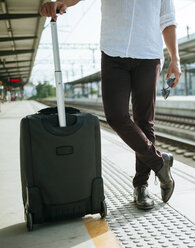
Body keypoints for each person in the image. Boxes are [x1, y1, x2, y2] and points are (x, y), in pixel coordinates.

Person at [39, 0, 182, 210]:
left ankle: (141, 186)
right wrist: (60, 2)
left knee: (144, 122)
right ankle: (160, 163)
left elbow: (167, 19)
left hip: (149, 54)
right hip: (114, 52)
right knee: (116, 116)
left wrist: (175, 58)